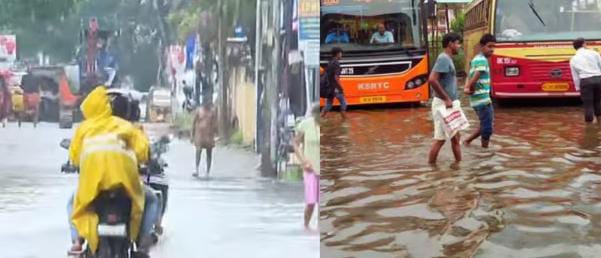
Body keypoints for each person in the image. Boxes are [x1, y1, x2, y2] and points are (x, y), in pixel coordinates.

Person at [66, 86, 157, 257]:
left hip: (93, 187)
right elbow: (143, 150)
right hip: (124, 184)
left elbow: (75, 157)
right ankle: (143, 243)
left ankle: (78, 242)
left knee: (72, 203)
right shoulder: (124, 126)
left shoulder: (83, 128)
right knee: (151, 199)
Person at [428, 33, 463, 165]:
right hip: (444, 105)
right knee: (441, 139)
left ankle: (458, 166)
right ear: (450, 44)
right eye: (458, 43)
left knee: (455, 138)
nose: (459, 46)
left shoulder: (447, 58)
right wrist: (447, 99)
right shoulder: (443, 58)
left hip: (448, 104)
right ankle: (432, 167)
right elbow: (432, 80)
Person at [463, 34, 497, 148]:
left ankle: (467, 141)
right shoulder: (482, 60)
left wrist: (467, 88)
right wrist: (469, 87)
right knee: (487, 129)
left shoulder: (476, 59)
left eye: (493, 46)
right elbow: (476, 75)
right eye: (489, 46)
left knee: (485, 124)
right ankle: (484, 152)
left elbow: (469, 75)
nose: (492, 49)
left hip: (478, 100)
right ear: (482, 46)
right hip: (482, 100)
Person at [294, 103, 320, 230]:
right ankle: (306, 227)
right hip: (310, 169)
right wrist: (303, 161)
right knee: (311, 202)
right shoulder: (306, 124)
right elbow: (295, 144)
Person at [570, 38, 601, 124]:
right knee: (598, 102)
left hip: (585, 81)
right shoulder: (594, 53)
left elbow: (575, 75)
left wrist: (577, 87)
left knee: (588, 105)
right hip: (598, 79)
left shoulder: (573, 59)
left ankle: (589, 128)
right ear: (583, 44)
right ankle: (599, 123)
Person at [320, 47, 348, 120]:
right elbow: (336, 78)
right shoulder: (336, 64)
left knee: (329, 104)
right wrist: (340, 88)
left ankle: (320, 118)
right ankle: (344, 121)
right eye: (341, 53)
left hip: (329, 88)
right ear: (338, 54)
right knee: (343, 102)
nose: (341, 55)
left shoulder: (330, 62)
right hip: (335, 87)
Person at [192, 102, 218, 176]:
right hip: (200, 135)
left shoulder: (212, 112)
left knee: (209, 154)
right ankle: (196, 169)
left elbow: (215, 124)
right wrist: (192, 135)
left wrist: (216, 135)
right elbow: (194, 123)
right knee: (198, 151)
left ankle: (207, 172)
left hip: (209, 136)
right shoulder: (199, 111)